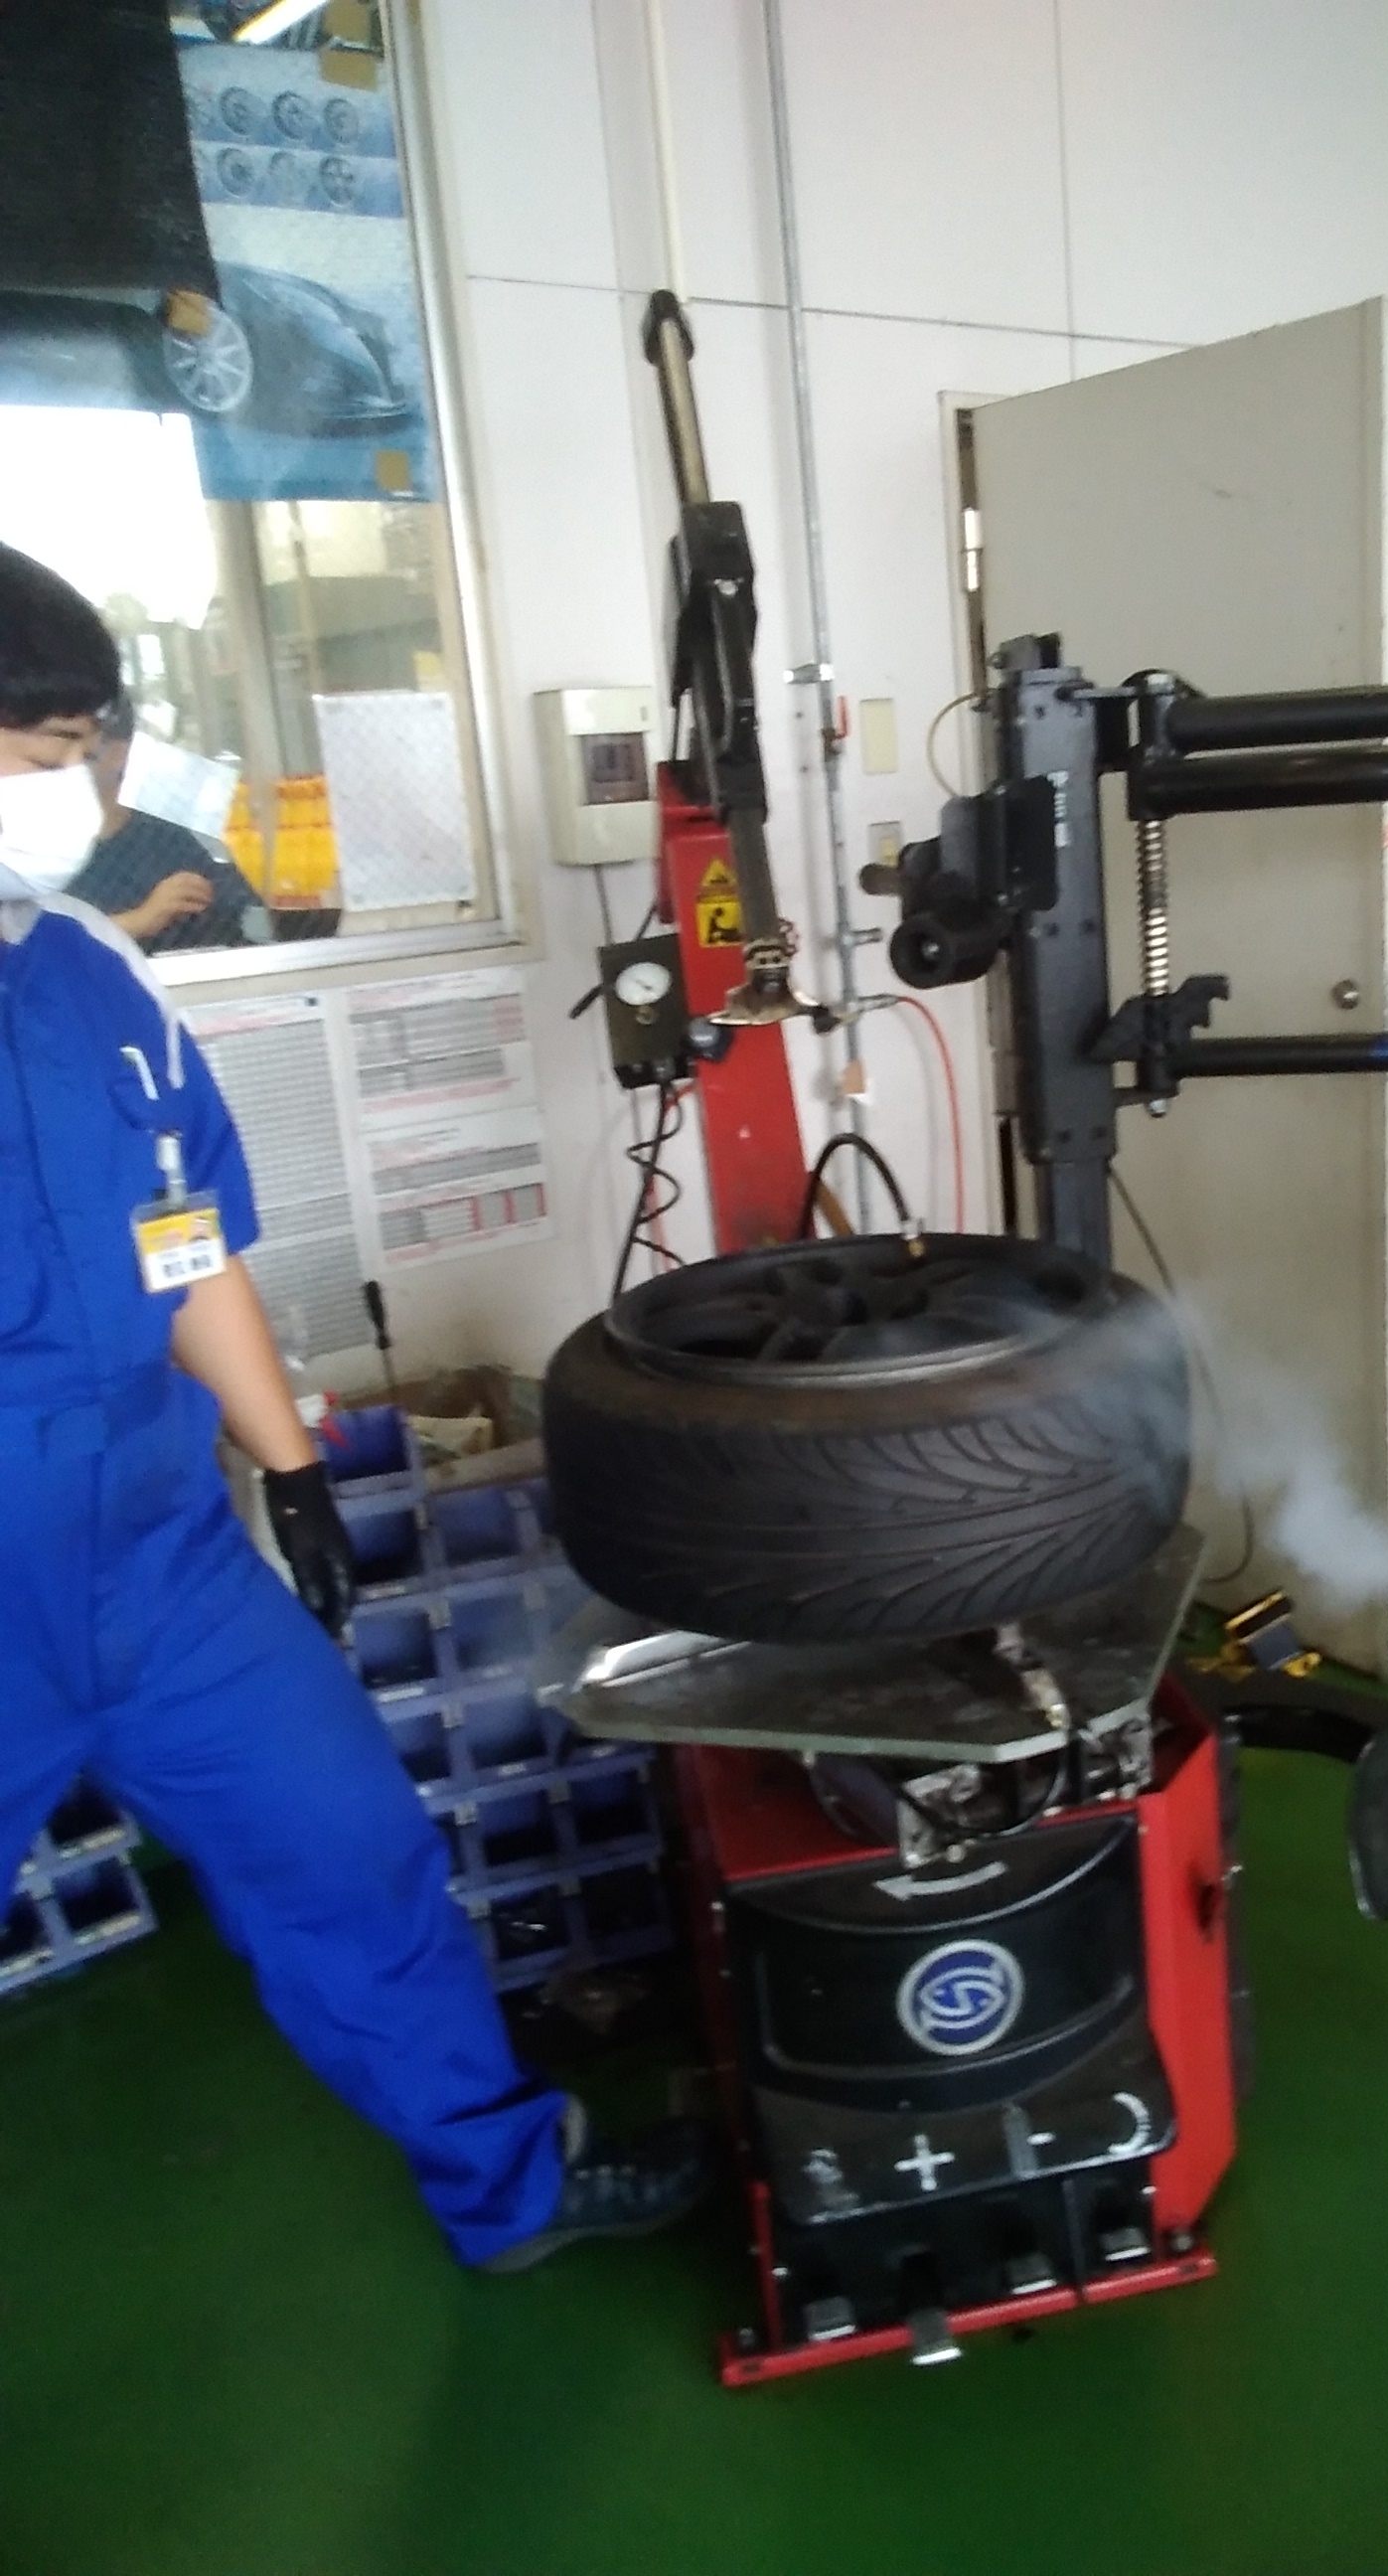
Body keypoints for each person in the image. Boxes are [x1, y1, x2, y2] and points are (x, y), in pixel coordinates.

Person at [0, 540, 706, 2267]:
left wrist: (292, 1470)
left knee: (348, 1851)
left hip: (161, 1566)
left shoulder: (87, 973)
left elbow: (188, 1249)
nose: (75, 790)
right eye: (40, 748)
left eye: (84, 747)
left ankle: (510, 2187)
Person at [67, 696, 265, 952]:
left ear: (119, 753)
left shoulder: (168, 839)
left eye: (72, 743)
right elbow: (33, 944)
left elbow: (240, 918)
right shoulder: (35, 854)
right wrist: (138, 921)